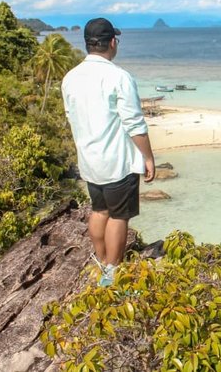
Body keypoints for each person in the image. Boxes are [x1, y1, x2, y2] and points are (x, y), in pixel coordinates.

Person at [62, 18, 155, 287]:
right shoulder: (119, 76)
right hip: (117, 161)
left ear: (88, 44)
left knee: (99, 210)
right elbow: (134, 124)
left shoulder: (71, 77)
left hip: (89, 161)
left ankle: (102, 262)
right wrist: (148, 157)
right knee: (118, 216)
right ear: (112, 42)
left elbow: (71, 116)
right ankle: (112, 271)